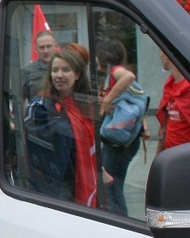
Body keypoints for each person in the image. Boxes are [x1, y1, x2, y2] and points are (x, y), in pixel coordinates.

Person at [24, 50, 101, 206]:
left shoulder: (85, 105)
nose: (59, 75)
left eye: (65, 70)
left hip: (81, 175)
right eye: (55, 70)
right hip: (54, 183)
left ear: (77, 74)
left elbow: (93, 141)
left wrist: (101, 168)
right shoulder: (40, 105)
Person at [97, 39, 145, 216]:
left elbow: (129, 77)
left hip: (118, 144)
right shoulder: (110, 75)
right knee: (113, 186)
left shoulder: (116, 71)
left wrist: (108, 100)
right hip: (123, 140)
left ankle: (120, 223)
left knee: (112, 187)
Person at [156, 50, 190, 154]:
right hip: (171, 154)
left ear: (167, 55)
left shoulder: (186, 88)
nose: (160, 55)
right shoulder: (169, 85)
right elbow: (164, 127)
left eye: (161, 51)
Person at [22, 30, 58, 101]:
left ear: (56, 47)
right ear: (35, 50)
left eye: (49, 46)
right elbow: (21, 99)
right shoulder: (27, 71)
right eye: (42, 47)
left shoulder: (66, 68)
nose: (46, 51)